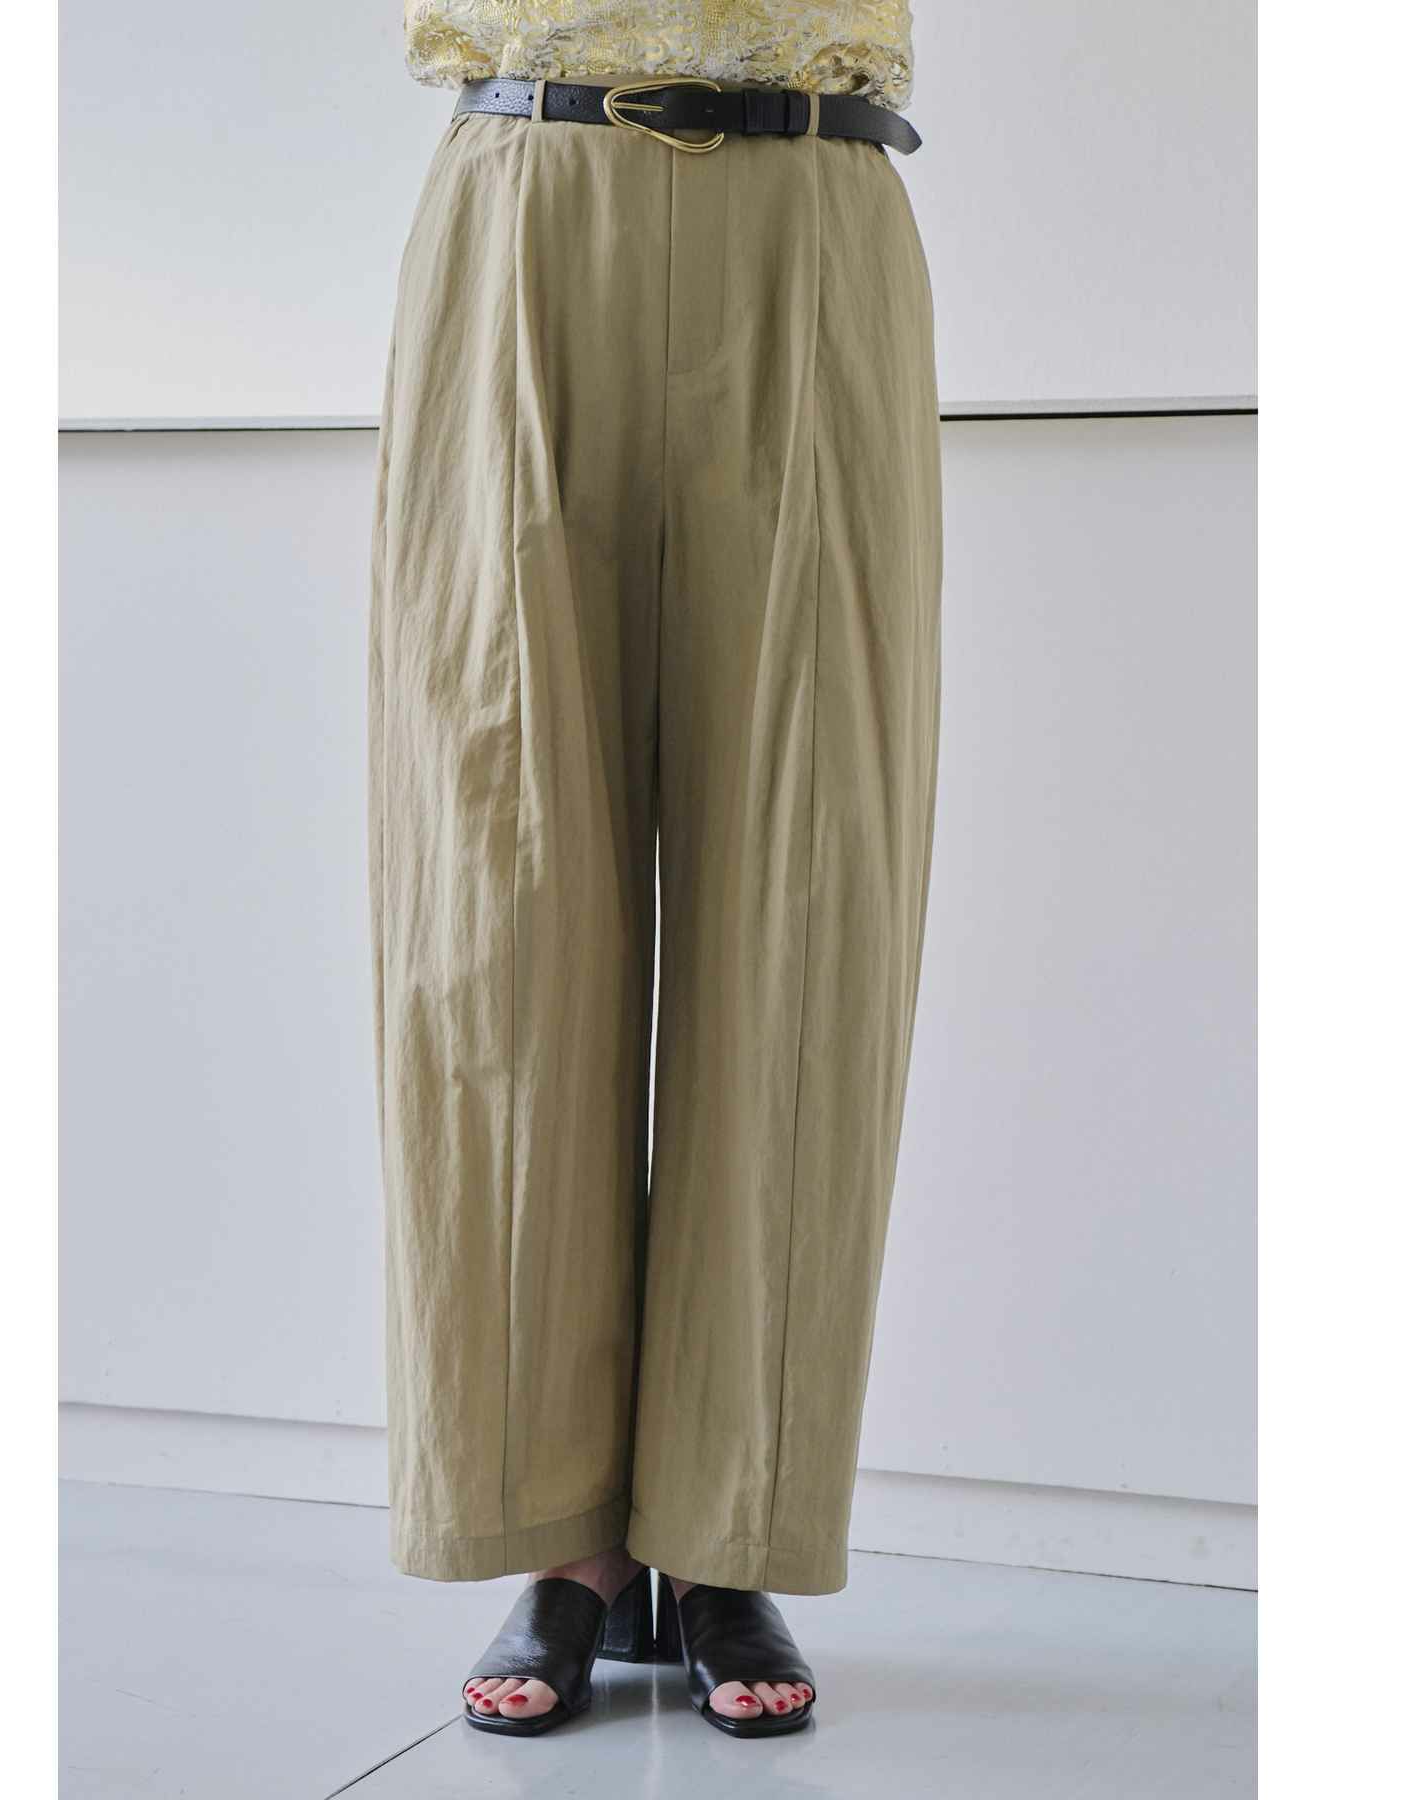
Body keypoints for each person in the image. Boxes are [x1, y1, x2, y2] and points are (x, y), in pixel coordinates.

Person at [368, 0, 940, 1741]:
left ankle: (728, 1530)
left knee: (811, 886)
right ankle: (558, 1539)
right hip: (527, 191)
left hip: (813, 202)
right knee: (503, 895)